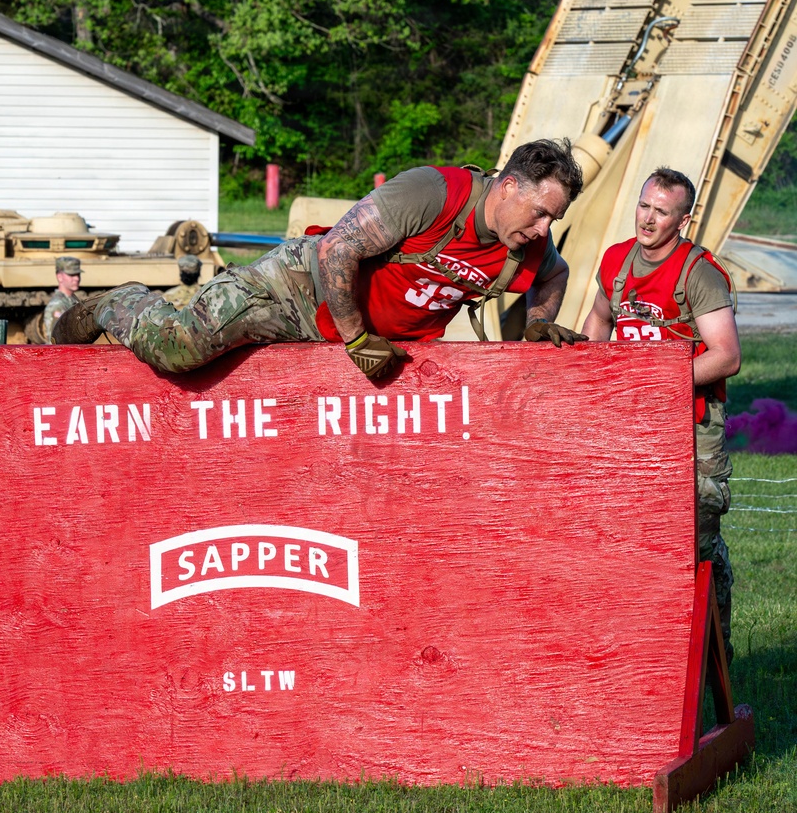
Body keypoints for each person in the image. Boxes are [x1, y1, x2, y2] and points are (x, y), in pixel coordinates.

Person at [53, 137, 587, 375]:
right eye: (539, 212)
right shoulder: (433, 193)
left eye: (553, 221)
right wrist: (357, 338)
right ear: (509, 186)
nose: (543, 230)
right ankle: (116, 305)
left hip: (360, 343)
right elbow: (338, 248)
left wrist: (539, 324)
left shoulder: (529, 243)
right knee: (179, 350)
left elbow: (555, 275)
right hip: (295, 291)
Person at [581, 167, 740, 664]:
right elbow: (600, 321)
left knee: (694, 541)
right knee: (625, 538)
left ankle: (712, 658)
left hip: (690, 421)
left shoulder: (699, 273)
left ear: (683, 219)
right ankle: (643, 655)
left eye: (662, 211)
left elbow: (727, 355)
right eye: (644, 206)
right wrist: (582, 371)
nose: (648, 219)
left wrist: (655, 384)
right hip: (628, 422)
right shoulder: (615, 260)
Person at [42, 256, 84, 342]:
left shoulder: (73, 301)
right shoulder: (57, 306)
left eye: (78, 274)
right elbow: (55, 342)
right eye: (71, 275)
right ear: (59, 277)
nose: (77, 278)